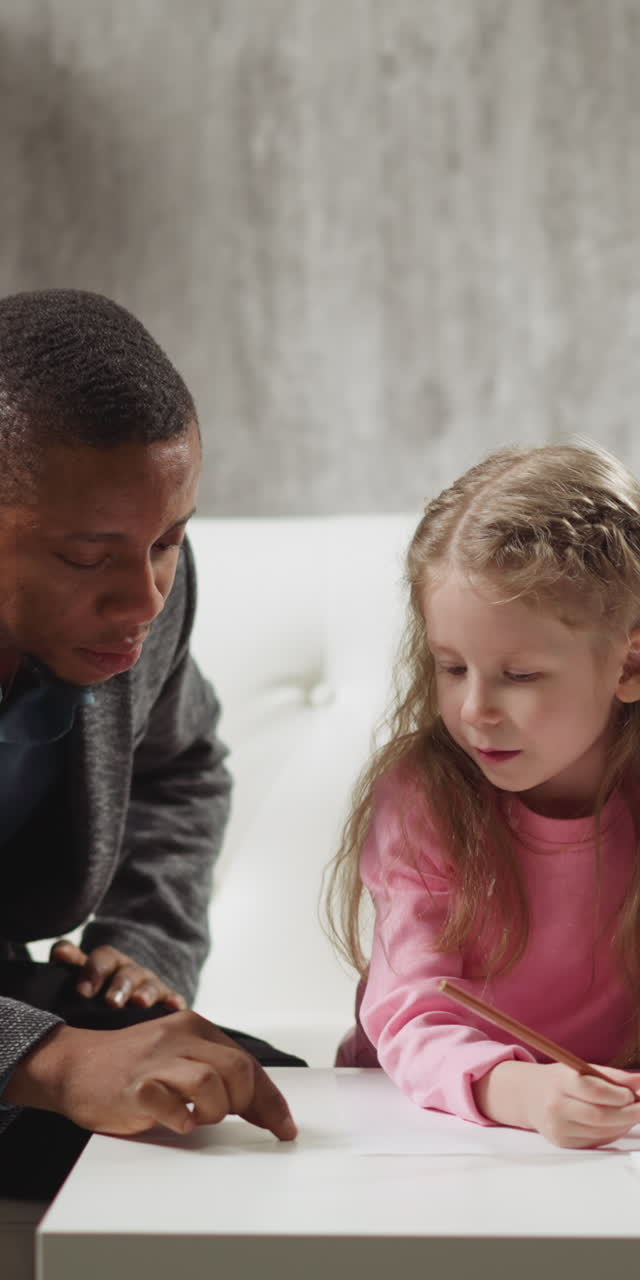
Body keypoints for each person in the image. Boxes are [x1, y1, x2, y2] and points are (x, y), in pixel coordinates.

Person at [327, 443, 640, 1149]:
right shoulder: (423, 795)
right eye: (451, 667)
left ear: (630, 665)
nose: (475, 708)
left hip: (625, 1136)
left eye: (521, 675)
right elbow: (413, 1014)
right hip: (427, 1128)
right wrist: (526, 1091)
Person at [0, 288, 301, 1200]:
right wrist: (53, 1066)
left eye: (170, 539)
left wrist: (148, 946)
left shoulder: (144, 595)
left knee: (268, 1129)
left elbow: (183, 766)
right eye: (88, 559)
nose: (144, 600)